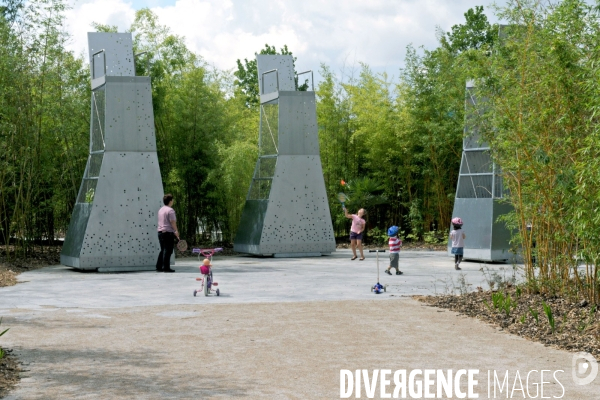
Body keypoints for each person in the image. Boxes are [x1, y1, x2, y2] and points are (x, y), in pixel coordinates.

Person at [156, 194, 179, 273]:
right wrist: (176, 231)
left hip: (160, 232)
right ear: (170, 201)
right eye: (172, 200)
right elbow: (172, 222)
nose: (173, 201)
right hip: (168, 232)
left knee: (163, 249)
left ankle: (159, 266)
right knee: (168, 250)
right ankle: (166, 267)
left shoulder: (160, 210)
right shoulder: (170, 210)